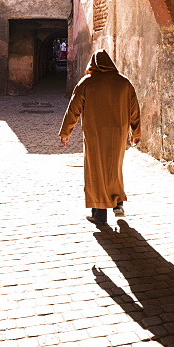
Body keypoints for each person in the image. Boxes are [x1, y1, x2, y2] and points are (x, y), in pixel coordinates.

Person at [59, 49, 141, 226]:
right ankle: (117, 202)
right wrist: (136, 132)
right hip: (118, 134)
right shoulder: (124, 83)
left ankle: (100, 213)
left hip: (95, 133)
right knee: (114, 166)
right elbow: (134, 109)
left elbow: (74, 109)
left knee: (95, 170)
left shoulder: (87, 83)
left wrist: (66, 132)